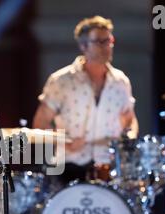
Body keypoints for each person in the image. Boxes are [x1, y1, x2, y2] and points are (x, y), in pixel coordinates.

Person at [33, 15, 139, 184]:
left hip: (108, 165)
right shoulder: (61, 80)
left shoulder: (120, 81)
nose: (107, 47)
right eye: (99, 42)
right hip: (69, 165)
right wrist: (65, 143)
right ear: (83, 46)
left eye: (109, 41)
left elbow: (130, 119)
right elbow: (40, 125)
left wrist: (129, 138)